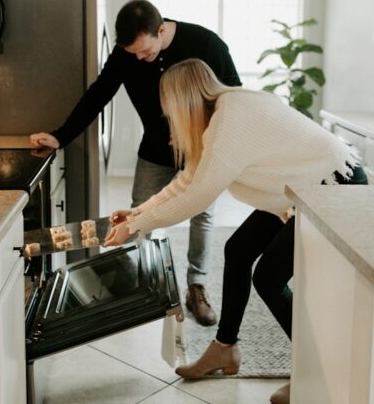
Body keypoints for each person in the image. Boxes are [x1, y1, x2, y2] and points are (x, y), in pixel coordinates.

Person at [104, 58, 368, 404]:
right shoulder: (222, 113)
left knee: (268, 277)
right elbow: (188, 181)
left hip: (331, 184)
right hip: (298, 189)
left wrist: (136, 226)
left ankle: (311, 373)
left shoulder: (229, 122)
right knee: (239, 249)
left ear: (183, 101)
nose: (168, 117)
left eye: (168, 109)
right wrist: (137, 212)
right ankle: (224, 349)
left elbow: (196, 196)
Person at [30, 0, 242, 326]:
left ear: (161, 30)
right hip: (155, 149)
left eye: (145, 52)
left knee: (203, 213)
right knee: (139, 210)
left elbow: (234, 96)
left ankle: (196, 286)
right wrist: (61, 136)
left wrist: (208, 133)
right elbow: (98, 94)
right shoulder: (127, 54)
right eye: (134, 55)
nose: (140, 59)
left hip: (202, 147)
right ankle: (142, 283)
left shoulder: (205, 43)